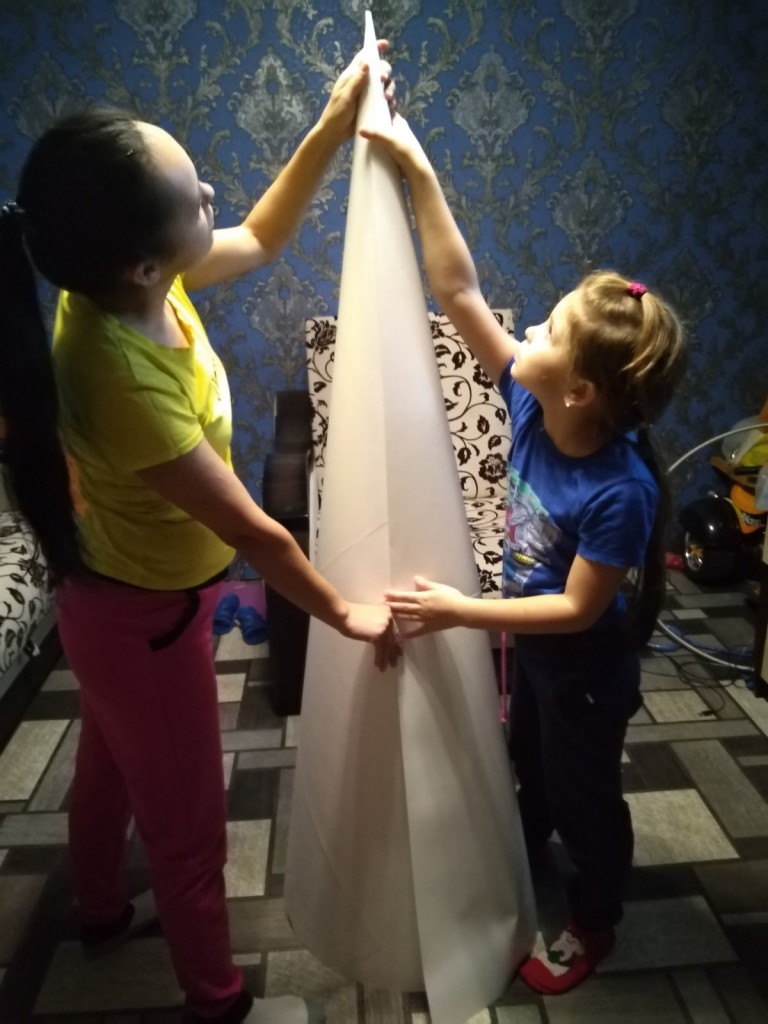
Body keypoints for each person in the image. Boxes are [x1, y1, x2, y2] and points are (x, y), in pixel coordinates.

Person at [0, 48, 400, 1024]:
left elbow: (260, 233)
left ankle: (99, 909)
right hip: (146, 621)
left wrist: (334, 118)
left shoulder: (132, 285)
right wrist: (345, 612)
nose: (212, 195)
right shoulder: (120, 375)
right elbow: (256, 532)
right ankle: (217, 999)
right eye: (193, 197)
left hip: (119, 603)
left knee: (109, 764)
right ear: (146, 260)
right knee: (187, 829)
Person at [362, 115, 686, 995]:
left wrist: (461, 612)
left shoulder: (621, 490)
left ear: (579, 389)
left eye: (546, 331)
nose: (529, 329)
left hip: (584, 670)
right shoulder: (538, 407)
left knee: (587, 798)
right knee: (531, 767)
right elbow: (458, 287)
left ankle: (594, 919)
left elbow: (578, 608)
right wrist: (416, 165)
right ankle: (527, 850)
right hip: (540, 658)